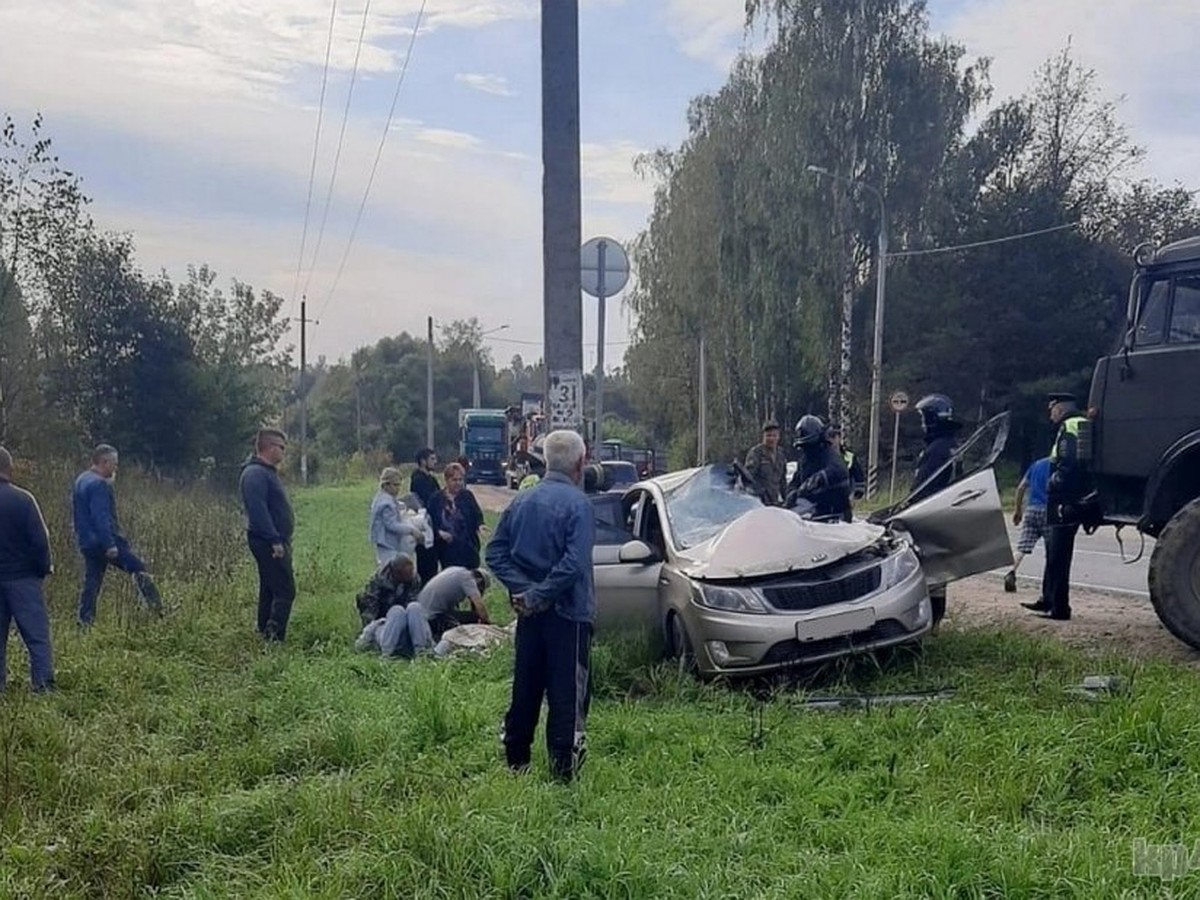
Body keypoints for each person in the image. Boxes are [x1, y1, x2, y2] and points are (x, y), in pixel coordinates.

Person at [486, 429, 596, 782]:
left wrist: (526, 592)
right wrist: (540, 594)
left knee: (527, 684)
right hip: (570, 613)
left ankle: (516, 763)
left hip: (528, 615)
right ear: (581, 462)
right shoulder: (579, 505)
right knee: (568, 692)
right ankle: (564, 774)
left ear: (546, 461)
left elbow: (495, 553)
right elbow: (575, 563)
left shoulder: (521, 501)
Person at [72, 444, 165, 627]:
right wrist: (110, 544)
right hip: (103, 542)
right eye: (114, 463)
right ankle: (156, 612)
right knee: (138, 567)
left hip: (87, 542)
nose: (116, 468)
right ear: (104, 462)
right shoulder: (99, 485)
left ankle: (84, 621)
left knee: (92, 580)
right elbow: (101, 517)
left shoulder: (81, 480)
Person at [1025, 393, 1091, 621]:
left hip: (1064, 499)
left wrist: (1055, 483)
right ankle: (1048, 599)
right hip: (1071, 498)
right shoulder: (1079, 422)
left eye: (1052, 409)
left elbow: (1069, 462)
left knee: (1058, 555)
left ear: (1060, 409)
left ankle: (1059, 608)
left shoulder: (1068, 427)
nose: (1050, 414)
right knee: (1054, 553)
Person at [0, 446, 56, 693]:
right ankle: (43, 685)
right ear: (8, 468)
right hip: (23, 579)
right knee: (36, 636)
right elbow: (39, 541)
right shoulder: (24, 499)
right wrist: (43, 568)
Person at [239, 428, 296, 642]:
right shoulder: (255, 474)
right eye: (281, 447)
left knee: (269, 588)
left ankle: (263, 631)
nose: (283, 452)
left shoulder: (266, 472)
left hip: (273, 540)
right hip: (268, 542)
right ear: (270, 447)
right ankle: (274, 637)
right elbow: (258, 511)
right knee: (285, 590)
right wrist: (274, 540)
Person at [912, 394, 964, 626]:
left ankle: (929, 623)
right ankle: (935, 623)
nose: (922, 423)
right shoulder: (952, 445)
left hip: (931, 518)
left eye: (924, 418)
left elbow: (922, 489)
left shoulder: (937, 450)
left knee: (928, 576)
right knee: (938, 577)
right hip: (946, 517)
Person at [785, 415, 851, 520]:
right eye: (804, 446)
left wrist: (819, 478)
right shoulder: (804, 461)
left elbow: (839, 470)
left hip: (834, 514)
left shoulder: (828, 454)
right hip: (810, 513)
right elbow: (795, 481)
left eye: (809, 444)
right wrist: (791, 493)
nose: (807, 449)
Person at [1004, 456, 1052, 593]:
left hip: (1032, 510)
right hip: (1049, 511)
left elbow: (1021, 487)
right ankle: (1049, 585)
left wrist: (1018, 510)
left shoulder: (1036, 465)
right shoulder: (1058, 466)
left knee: (1022, 546)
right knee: (1052, 550)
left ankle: (1011, 571)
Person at [429, 462, 486, 570]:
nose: (458, 483)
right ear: (446, 480)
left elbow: (476, 514)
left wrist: (480, 525)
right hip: (447, 549)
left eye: (460, 480)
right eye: (454, 480)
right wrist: (439, 532)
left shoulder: (467, 496)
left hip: (468, 547)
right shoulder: (436, 499)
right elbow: (429, 521)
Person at [369, 467, 429, 567]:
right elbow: (391, 524)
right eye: (395, 485)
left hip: (386, 541)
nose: (398, 488)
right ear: (386, 484)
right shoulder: (386, 503)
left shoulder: (382, 498)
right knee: (391, 569)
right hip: (387, 542)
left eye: (399, 485)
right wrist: (412, 530)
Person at [417, 566, 491, 640]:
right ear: (479, 581)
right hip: (433, 618)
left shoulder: (456, 571)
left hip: (421, 616)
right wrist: (488, 625)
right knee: (474, 618)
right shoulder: (468, 579)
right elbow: (480, 609)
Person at [354, 553, 423, 627]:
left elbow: (413, 601)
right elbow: (370, 607)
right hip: (381, 616)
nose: (411, 576)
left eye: (412, 571)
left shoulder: (414, 578)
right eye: (406, 575)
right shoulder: (378, 581)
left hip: (400, 614)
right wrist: (371, 626)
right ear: (396, 573)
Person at [410, 448, 441, 585]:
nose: (435, 462)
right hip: (423, 524)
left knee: (433, 564)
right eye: (432, 459)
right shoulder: (418, 479)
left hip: (434, 524)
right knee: (426, 564)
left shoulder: (431, 479)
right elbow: (429, 500)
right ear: (423, 461)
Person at [744, 419, 788, 505]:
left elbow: (783, 481)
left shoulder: (781, 454)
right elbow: (748, 479)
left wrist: (786, 499)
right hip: (758, 503)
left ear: (778, 437)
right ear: (763, 436)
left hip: (774, 502)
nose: (771, 439)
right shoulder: (756, 453)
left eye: (774, 435)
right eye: (768, 436)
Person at [826, 423, 866, 510]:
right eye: (828, 436)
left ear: (839, 438)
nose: (830, 440)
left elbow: (860, 481)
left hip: (845, 504)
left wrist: (854, 497)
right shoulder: (822, 458)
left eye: (833, 436)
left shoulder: (850, 457)